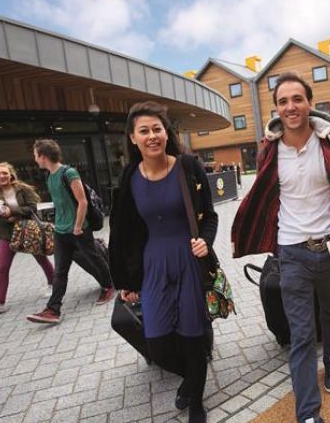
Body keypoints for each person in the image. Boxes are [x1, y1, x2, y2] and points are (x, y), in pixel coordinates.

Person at [231, 72, 330, 423]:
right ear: (276, 108)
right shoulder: (269, 150)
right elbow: (263, 196)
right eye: (283, 101)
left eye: (297, 99)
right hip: (290, 251)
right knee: (300, 333)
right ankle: (308, 414)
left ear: (309, 103)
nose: (290, 107)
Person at [109, 101, 217, 423]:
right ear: (132, 138)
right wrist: (125, 281)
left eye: (157, 129)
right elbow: (123, 233)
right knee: (158, 344)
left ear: (166, 133)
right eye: (144, 131)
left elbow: (209, 216)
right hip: (153, 263)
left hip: (188, 260)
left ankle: (196, 401)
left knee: (192, 334)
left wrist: (205, 242)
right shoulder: (130, 178)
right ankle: (193, 377)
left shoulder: (188, 166)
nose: (152, 136)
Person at [27, 139, 114, 324]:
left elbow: (82, 201)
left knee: (94, 258)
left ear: (43, 156)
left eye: (35, 155)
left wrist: (77, 225)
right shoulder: (50, 176)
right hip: (61, 231)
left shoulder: (69, 173)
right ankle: (53, 310)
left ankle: (109, 286)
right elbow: (61, 203)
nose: (35, 159)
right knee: (60, 270)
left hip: (78, 229)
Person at [0, 162, 54, 314]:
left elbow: (32, 207)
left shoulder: (23, 189)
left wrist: (13, 212)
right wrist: (6, 219)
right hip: (7, 235)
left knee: (41, 258)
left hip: (27, 230)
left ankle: (53, 284)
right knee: (2, 267)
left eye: (4, 173)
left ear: (11, 173)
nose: (1, 176)